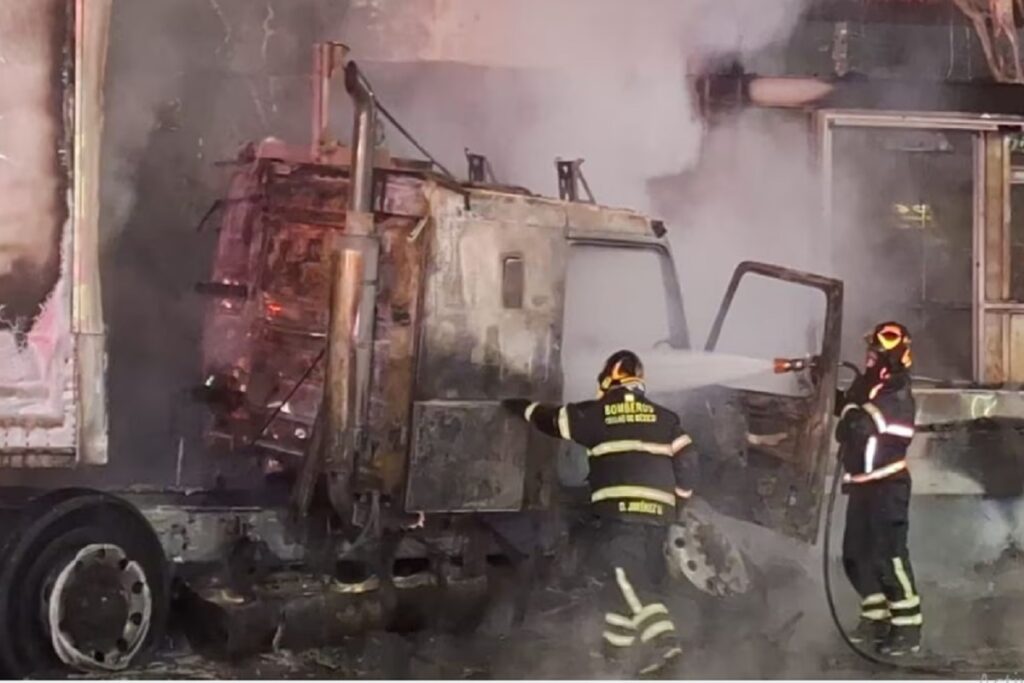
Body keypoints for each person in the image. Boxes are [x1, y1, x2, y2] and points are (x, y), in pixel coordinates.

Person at [502, 350, 697, 677]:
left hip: (621, 515)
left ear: (608, 379)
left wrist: (520, 407)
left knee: (627, 579)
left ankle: (666, 648)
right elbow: (689, 462)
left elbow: (552, 421)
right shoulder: (665, 419)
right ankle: (613, 660)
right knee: (618, 590)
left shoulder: (598, 413)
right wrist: (678, 502)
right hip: (658, 519)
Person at [834, 321, 922, 657]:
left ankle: (908, 630)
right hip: (863, 487)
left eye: (876, 351)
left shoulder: (897, 390)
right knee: (855, 556)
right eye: (869, 350)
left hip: (888, 486)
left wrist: (848, 410)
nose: (869, 356)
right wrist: (823, 385)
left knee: (889, 556)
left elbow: (860, 425)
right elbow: (847, 410)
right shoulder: (869, 386)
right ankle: (876, 620)